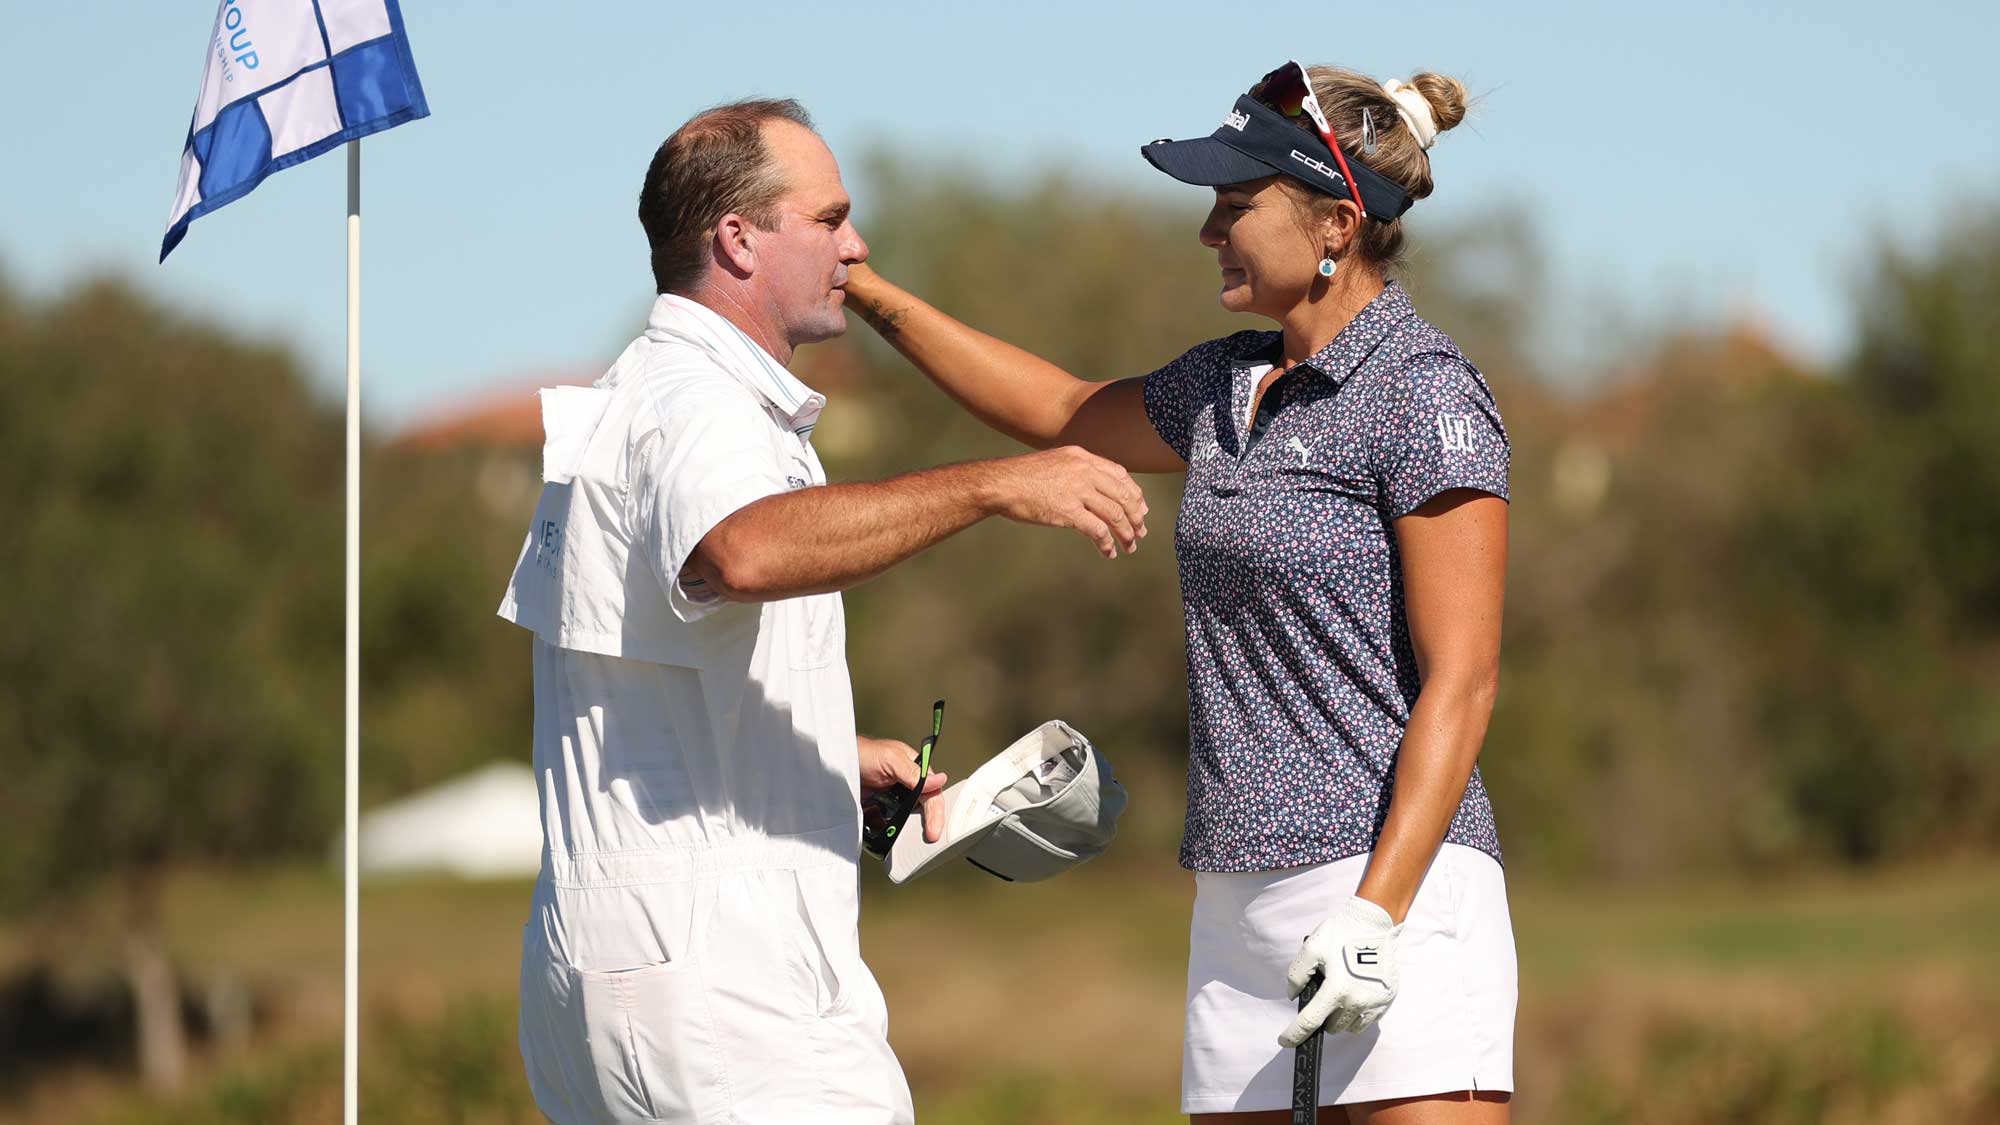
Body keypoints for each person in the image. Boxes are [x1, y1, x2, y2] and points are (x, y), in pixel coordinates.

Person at [842, 62, 1515, 1123]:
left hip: (1396, 902)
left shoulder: (1424, 393)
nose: (1208, 231)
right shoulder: (1222, 385)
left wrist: (1375, 916)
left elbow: (1463, 681)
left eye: (1234, 205)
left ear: (1335, 223)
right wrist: (866, 292)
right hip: (1233, 913)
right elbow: (1058, 408)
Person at [497, 97, 1150, 1124]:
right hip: (722, 984)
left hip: (610, 969)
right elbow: (744, 549)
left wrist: (828, 754)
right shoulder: (698, 398)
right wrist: (992, 486)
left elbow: (642, 667)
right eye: (830, 218)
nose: (857, 244)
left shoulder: (634, 392)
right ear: (738, 239)